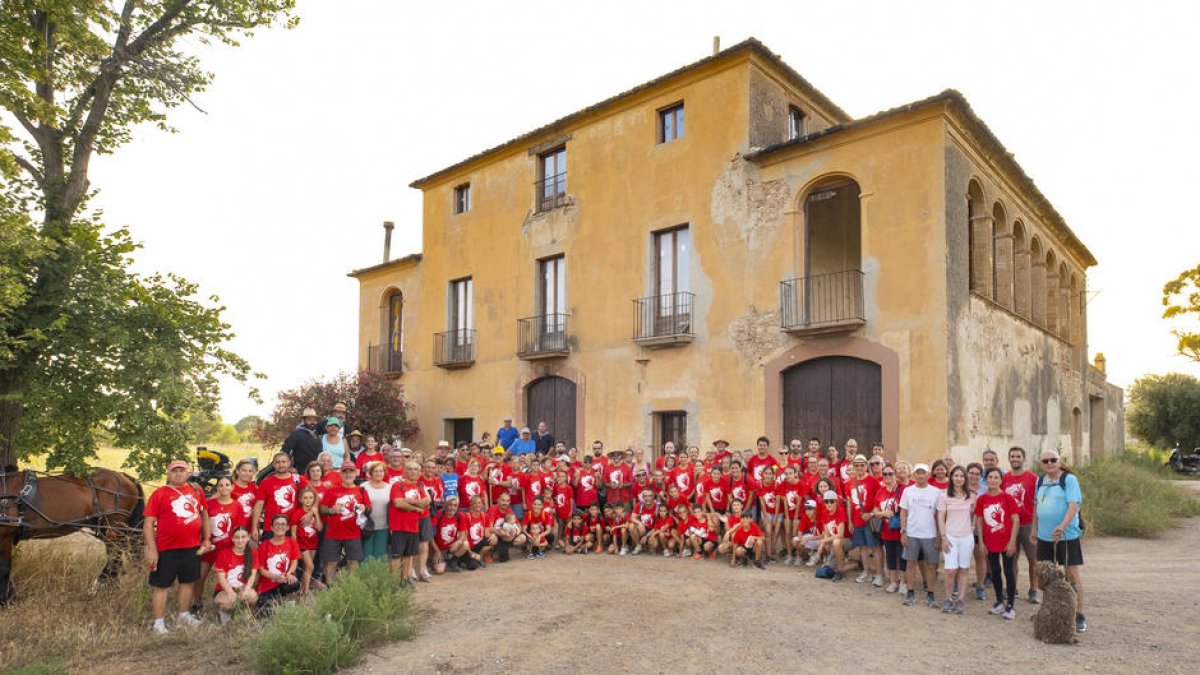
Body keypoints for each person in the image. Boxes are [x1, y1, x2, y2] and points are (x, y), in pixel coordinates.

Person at [144, 459, 212, 634]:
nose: (178, 473)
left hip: (192, 546)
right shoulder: (159, 494)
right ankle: (158, 623)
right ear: (168, 473)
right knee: (162, 585)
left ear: (188, 473)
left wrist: (206, 539)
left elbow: (204, 515)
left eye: (182, 470)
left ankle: (183, 615)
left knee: (188, 581)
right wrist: (152, 549)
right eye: (175, 471)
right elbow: (148, 523)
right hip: (167, 548)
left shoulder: (196, 491)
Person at [1030, 449, 1086, 633]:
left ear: (1059, 461)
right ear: (1041, 464)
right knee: (1045, 576)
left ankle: (1078, 615)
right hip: (1044, 537)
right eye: (1045, 461)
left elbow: (1073, 505)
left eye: (1053, 460)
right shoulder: (1040, 481)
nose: (1050, 463)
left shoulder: (1069, 480)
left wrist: (1062, 526)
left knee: (1071, 575)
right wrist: (1033, 529)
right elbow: (1037, 506)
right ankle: (1048, 611)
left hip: (1067, 536)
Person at [975, 467, 1020, 620]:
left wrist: (1012, 541)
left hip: (1006, 541)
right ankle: (999, 601)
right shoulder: (982, 499)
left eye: (996, 477)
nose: (993, 480)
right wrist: (981, 542)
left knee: (1009, 571)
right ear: (986, 480)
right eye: (990, 477)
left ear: (1001, 480)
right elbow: (979, 522)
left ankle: (1010, 605)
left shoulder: (1007, 498)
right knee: (995, 571)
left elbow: (1015, 520)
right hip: (990, 542)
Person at [197, 476, 244, 613]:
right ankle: (197, 603)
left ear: (232, 487)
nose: (224, 488)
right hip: (209, 547)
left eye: (227, 485)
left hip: (227, 548)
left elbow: (238, 528)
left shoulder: (237, 505)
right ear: (217, 488)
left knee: (228, 578)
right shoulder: (209, 504)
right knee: (200, 575)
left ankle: (227, 604)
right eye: (221, 485)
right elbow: (201, 524)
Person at [899, 463, 941, 608]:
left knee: (931, 565)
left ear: (928, 475)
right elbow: (903, 513)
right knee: (910, 564)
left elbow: (939, 515)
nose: (920, 475)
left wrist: (939, 536)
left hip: (930, 534)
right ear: (914, 475)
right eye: (918, 473)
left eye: (923, 473)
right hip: (912, 533)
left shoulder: (936, 492)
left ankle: (931, 594)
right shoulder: (908, 491)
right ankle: (910, 592)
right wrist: (903, 532)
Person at [1002, 446, 1040, 604]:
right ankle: (1012, 587)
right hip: (1010, 525)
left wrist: (1035, 526)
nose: (1015, 459)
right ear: (1009, 458)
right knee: (1011, 558)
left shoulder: (1033, 478)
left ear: (1024, 459)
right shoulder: (1004, 479)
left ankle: (1033, 589)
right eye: (1012, 456)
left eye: (1018, 456)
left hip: (1028, 523)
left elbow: (1038, 502)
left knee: (1033, 559)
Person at [936, 465, 976, 614]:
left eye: (961, 476)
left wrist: (972, 527)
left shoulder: (971, 495)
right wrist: (944, 537)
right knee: (950, 570)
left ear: (965, 479)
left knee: (964, 569)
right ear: (951, 477)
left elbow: (976, 515)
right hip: (950, 536)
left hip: (966, 537)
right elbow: (940, 517)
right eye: (956, 475)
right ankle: (947, 599)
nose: (959, 478)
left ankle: (960, 600)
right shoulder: (944, 495)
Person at [319, 462, 366, 584]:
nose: (348, 474)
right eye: (345, 472)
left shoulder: (361, 490)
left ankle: (352, 587)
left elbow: (369, 508)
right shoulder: (331, 490)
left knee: (353, 561)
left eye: (351, 471)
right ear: (341, 474)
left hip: (353, 532)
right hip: (333, 533)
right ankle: (330, 588)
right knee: (331, 562)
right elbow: (322, 509)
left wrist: (364, 508)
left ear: (356, 473)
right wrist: (331, 510)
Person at [389, 461, 431, 585]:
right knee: (397, 555)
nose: (413, 472)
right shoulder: (397, 485)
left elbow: (426, 502)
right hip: (399, 526)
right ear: (405, 471)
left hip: (414, 526)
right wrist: (416, 508)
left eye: (416, 470)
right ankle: (394, 581)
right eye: (410, 469)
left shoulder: (420, 486)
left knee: (409, 555)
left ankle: (405, 579)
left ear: (419, 472)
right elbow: (398, 503)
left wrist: (409, 501)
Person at [212, 526, 258, 622]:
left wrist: (247, 589)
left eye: (243, 537)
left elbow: (252, 575)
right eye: (237, 537)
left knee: (253, 596)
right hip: (224, 590)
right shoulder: (224, 554)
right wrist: (230, 592)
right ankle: (225, 611)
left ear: (248, 537)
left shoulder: (253, 553)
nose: (240, 540)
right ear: (232, 538)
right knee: (229, 601)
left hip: (242, 588)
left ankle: (243, 609)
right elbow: (221, 578)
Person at [251, 452, 300, 538]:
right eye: (277, 462)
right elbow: (258, 506)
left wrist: (311, 512)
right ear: (273, 464)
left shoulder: (298, 479)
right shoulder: (266, 482)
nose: (281, 464)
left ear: (289, 463)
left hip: (293, 527)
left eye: (284, 462)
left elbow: (313, 495)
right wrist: (254, 527)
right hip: (271, 528)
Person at [256, 514, 300, 606]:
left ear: (287, 527)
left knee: (294, 584)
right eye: (277, 524)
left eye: (283, 524)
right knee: (263, 608)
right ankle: (275, 599)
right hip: (268, 583)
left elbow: (294, 560)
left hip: (285, 580)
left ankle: (286, 599)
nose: (280, 527)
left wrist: (290, 573)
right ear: (271, 527)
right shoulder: (264, 545)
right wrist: (275, 577)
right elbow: (261, 569)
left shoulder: (292, 542)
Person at [290, 486, 322, 594]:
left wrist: (316, 514)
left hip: (313, 542)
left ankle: (302, 589)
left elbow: (319, 528)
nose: (308, 500)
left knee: (307, 568)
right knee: (310, 566)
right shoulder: (297, 513)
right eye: (306, 498)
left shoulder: (314, 513)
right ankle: (307, 592)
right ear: (300, 499)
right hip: (302, 544)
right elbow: (293, 533)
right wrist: (295, 548)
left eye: (311, 498)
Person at [360, 462, 393, 560]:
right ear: (371, 473)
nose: (379, 473)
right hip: (367, 526)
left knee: (381, 554)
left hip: (384, 525)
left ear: (384, 472)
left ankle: (379, 575)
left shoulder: (389, 487)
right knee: (367, 554)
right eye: (376, 471)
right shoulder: (363, 487)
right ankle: (366, 575)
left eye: (381, 471)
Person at [281, 407, 322, 472]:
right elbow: (285, 450)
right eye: (309, 419)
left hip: (315, 471)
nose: (312, 422)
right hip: (302, 470)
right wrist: (290, 467)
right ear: (303, 420)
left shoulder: (316, 434)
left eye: (314, 420)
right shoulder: (297, 433)